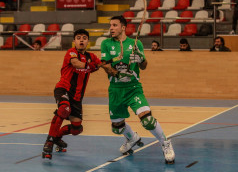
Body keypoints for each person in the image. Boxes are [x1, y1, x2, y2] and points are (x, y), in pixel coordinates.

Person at [100, 15, 175, 164]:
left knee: (147, 120)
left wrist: (141, 58)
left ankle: (165, 143)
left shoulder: (136, 43)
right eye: (110, 25)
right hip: (115, 89)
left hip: (133, 88)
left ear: (123, 27)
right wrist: (117, 74)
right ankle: (132, 138)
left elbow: (144, 66)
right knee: (117, 127)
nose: (111, 28)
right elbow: (105, 65)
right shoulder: (106, 44)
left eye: (114, 25)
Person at [42, 29, 103, 159]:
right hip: (63, 88)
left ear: (88, 42)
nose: (81, 40)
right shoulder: (71, 53)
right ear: (74, 41)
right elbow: (77, 64)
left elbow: (101, 64)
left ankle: (58, 136)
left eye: (84, 38)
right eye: (79, 38)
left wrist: (112, 66)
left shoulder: (91, 56)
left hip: (77, 96)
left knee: (77, 129)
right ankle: (49, 142)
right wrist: (92, 66)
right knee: (64, 109)